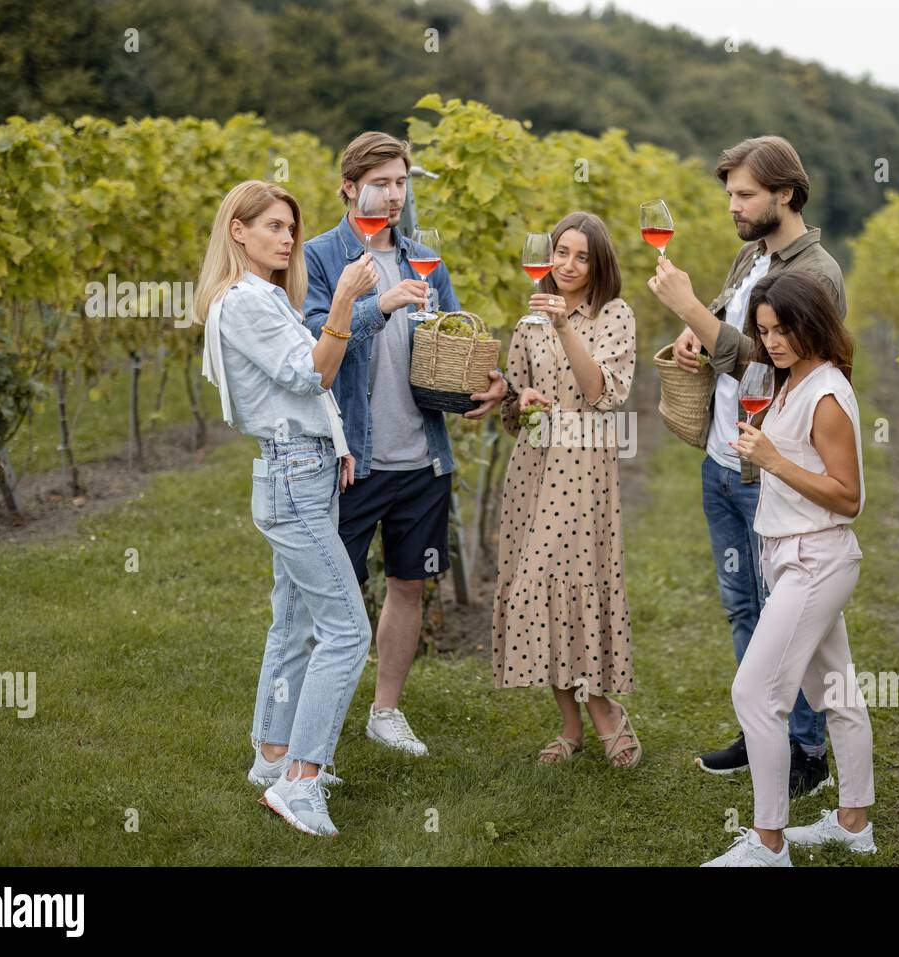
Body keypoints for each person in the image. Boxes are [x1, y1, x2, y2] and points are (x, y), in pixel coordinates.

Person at [647, 135, 847, 796]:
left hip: (772, 469)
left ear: (785, 193)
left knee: (785, 615)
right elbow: (736, 330)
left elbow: (773, 365)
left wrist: (691, 311)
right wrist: (694, 334)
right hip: (723, 458)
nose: (733, 206)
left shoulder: (814, 273)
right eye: (729, 193)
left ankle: (807, 751)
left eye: (745, 195)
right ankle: (761, 723)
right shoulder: (749, 254)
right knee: (743, 606)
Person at [302, 131, 508, 757]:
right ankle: (310, 721)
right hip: (352, 462)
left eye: (402, 182)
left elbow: (454, 339)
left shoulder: (425, 260)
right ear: (349, 188)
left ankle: (384, 711)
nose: (394, 195)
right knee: (327, 593)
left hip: (422, 459)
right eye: (381, 183)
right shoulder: (318, 258)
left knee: (407, 586)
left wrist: (487, 382)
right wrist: (379, 305)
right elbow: (312, 346)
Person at [196, 180, 380, 837]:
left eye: (290, 228)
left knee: (295, 620)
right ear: (237, 231)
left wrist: (334, 441)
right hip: (294, 476)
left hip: (299, 465)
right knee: (348, 629)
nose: (286, 237)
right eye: (272, 225)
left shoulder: (251, 296)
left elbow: (297, 392)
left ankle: (272, 753)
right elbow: (311, 372)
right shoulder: (247, 300)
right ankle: (299, 782)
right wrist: (345, 301)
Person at [700, 271, 873, 866]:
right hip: (792, 553)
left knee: (755, 692)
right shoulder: (790, 381)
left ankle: (768, 843)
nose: (771, 341)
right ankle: (853, 824)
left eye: (782, 329)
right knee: (837, 692)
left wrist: (771, 459)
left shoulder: (825, 395)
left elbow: (848, 497)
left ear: (812, 324)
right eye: (764, 330)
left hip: (816, 557)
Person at [493, 212, 641, 768]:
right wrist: (520, 400)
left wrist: (562, 327)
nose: (568, 265)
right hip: (533, 465)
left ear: (599, 263)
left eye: (582, 256)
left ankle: (605, 711)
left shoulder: (614, 315)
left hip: (584, 466)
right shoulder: (528, 321)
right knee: (536, 592)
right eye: (560, 252)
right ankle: (571, 726)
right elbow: (512, 404)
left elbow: (602, 391)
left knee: (573, 584)